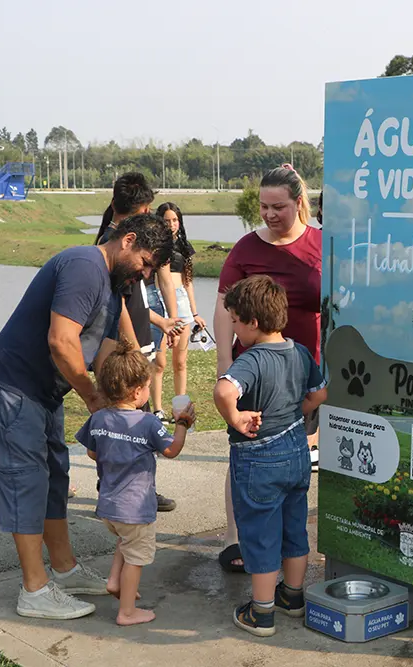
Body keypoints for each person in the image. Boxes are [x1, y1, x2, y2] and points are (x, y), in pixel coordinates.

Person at [0, 213, 173, 620]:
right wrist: (94, 398)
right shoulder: (85, 265)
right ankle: (34, 589)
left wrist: (133, 392)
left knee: (53, 477)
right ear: (128, 241)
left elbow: (107, 349)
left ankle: (63, 571)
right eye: (146, 263)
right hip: (12, 389)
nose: (146, 274)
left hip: (44, 393)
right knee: (25, 482)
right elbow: (62, 342)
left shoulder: (111, 284)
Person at [214, 165, 322, 573]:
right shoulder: (246, 248)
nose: (269, 214)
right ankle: (236, 537)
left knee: (294, 455)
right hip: (254, 370)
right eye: (263, 206)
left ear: (299, 203)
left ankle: (286, 540)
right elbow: (225, 306)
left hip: (301, 367)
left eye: (279, 206)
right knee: (247, 451)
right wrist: (227, 362)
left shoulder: (321, 244)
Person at [213, 275, 327, 637]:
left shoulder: (252, 359)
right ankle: (292, 597)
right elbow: (319, 395)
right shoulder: (299, 351)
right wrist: (296, 412)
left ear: (253, 322)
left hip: (258, 457)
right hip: (296, 449)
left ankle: (260, 613)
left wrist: (235, 417)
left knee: (261, 534)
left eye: (234, 321)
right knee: (294, 526)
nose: (233, 328)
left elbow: (223, 390)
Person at [76, 338, 197, 626]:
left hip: (108, 505)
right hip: (136, 508)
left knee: (125, 540)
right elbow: (171, 450)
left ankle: (114, 582)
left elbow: (93, 452)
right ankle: (127, 611)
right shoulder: (148, 423)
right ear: (138, 391)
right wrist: (182, 424)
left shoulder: (99, 418)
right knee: (137, 557)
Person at [95, 174, 181, 513]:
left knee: (126, 421)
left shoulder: (115, 241)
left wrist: (159, 322)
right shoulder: (120, 249)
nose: (146, 271)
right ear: (143, 210)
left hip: (137, 341)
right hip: (127, 348)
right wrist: (131, 350)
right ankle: (131, 489)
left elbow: (134, 299)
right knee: (131, 421)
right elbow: (118, 306)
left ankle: (125, 486)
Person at [147, 202, 207, 421]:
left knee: (180, 361)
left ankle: (181, 409)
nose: (171, 224)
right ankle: (157, 409)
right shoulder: (153, 245)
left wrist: (195, 312)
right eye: (167, 220)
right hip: (158, 300)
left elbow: (188, 281)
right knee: (159, 361)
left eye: (175, 220)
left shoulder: (184, 246)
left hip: (181, 301)